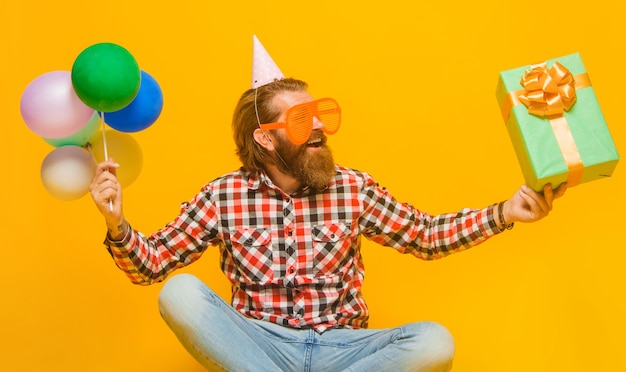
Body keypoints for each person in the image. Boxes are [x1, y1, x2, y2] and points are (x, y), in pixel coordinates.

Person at [89, 37, 566, 372]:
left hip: (345, 349)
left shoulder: (352, 188)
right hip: (260, 346)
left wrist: (506, 212)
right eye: (301, 121)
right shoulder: (222, 196)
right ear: (266, 138)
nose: (318, 128)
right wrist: (116, 223)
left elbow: (424, 237)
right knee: (178, 294)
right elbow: (149, 267)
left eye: (320, 116)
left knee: (434, 342)